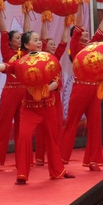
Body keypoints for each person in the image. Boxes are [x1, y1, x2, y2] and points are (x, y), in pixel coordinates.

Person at [0, 30, 74, 184]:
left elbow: (57, 82)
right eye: (35, 40)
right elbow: (7, 66)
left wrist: (44, 90)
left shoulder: (49, 59)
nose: (39, 42)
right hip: (29, 109)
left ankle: (58, 171)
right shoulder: (22, 62)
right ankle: (22, 174)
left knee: (53, 140)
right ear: (27, 45)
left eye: (39, 39)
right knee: (24, 137)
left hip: (47, 106)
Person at [60, 9, 103, 171]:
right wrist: (81, 3)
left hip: (95, 89)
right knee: (72, 123)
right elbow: (79, 26)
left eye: (87, 31)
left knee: (95, 126)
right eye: (83, 31)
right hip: (80, 88)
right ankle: (60, 160)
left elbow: (100, 32)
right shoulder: (75, 46)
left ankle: (93, 161)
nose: (86, 32)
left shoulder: (92, 47)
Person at [0, 12, 28, 171]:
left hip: (24, 93)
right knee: (3, 125)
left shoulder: (25, 53)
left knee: (22, 127)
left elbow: (27, 32)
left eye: (21, 38)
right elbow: (3, 31)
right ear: (10, 41)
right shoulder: (7, 52)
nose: (20, 40)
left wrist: (26, 13)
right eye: (17, 38)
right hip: (10, 92)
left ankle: (22, 159)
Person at [34, 21, 70, 166]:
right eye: (51, 44)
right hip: (44, 94)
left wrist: (66, 25)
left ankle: (55, 156)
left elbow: (64, 42)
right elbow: (43, 39)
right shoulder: (42, 58)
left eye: (54, 44)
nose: (54, 46)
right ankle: (40, 158)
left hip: (56, 95)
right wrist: (44, 20)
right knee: (43, 127)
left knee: (57, 126)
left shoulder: (55, 58)